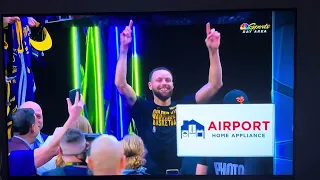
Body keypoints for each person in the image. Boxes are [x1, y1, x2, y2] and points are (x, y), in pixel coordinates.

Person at [114, 20, 223, 175]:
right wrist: (124, 50)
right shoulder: (143, 107)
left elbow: (215, 85)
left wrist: (214, 51)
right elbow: (121, 84)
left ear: (173, 85)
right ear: (150, 85)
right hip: (148, 173)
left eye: (168, 80)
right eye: (159, 80)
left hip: (181, 173)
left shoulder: (184, 106)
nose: (164, 83)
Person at [9, 91, 84, 176]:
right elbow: (50, 150)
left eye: (39, 116)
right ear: (33, 127)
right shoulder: (17, 156)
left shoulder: (8, 147)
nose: (38, 122)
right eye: (35, 118)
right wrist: (73, 116)